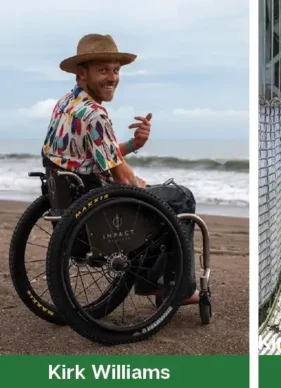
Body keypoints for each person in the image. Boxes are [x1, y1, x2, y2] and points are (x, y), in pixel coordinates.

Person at [42, 34, 199, 305]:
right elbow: (121, 176)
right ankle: (171, 286)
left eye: (115, 70)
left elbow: (93, 155)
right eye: (103, 70)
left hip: (72, 205)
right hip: (99, 215)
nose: (112, 78)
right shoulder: (94, 115)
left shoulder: (66, 104)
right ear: (82, 73)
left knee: (154, 194)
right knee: (181, 197)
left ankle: (157, 280)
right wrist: (140, 186)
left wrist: (133, 144)